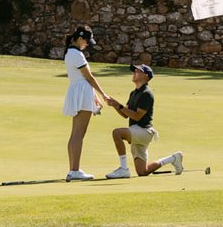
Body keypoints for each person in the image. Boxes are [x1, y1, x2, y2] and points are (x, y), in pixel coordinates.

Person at [102, 63, 183, 178]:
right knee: (142, 172)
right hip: (136, 132)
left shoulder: (147, 93)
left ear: (146, 76)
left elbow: (137, 116)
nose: (134, 73)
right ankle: (173, 158)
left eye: (137, 71)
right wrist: (114, 105)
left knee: (117, 133)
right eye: (134, 71)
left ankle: (124, 169)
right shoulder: (133, 93)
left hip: (144, 131)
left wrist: (118, 105)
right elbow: (125, 114)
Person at [61, 25, 115, 182]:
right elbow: (89, 77)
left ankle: (73, 170)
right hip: (82, 91)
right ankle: (75, 170)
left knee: (75, 133)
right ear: (79, 39)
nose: (86, 45)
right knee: (79, 133)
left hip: (79, 90)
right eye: (86, 41)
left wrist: (94, 96)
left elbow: (84, 78)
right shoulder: (77, 54)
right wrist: (103, 94)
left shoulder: (70, 52)